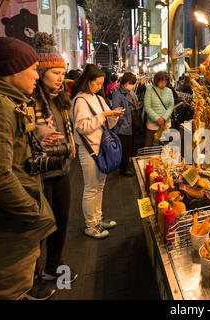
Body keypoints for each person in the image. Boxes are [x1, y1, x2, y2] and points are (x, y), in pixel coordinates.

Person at [0, 37, 56, 299]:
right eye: (32, 69)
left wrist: (37, 133)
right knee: (10, 290)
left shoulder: (9, 102)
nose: (37, 76)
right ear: (13, 71)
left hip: (13, 222)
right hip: (10, 228)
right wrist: (35, 212)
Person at [21, 33, 78, 300]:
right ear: (41, 71)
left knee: (61, 221)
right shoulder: (28, 101)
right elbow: (26, 138)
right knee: (38, 228)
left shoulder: (61, 99)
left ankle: (54, 266)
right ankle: (30, 280)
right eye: (55, 72)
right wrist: (39, 136)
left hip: (62, 168)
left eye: (62, 72)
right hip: (39, 174)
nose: (59, 77)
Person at [70, 64, 124, 239]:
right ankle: (90, 224)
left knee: (99, 186)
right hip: (89, 150)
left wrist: (113, 115)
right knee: (91, 188)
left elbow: (106, 125)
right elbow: (82, 127)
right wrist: (104, 115)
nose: (100, 87)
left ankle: (98, 219)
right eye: (97, 84)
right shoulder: (80, 100)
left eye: (101, 84)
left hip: (102, 148)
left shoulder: (98, 98)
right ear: (87, 81)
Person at [111, 72, 138, 176]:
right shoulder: (117, 94)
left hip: (132, 125)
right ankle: (124, 168)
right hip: (123, 126)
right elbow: (116, 110)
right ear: (125, 82)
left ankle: (127, 165)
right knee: (124, 149)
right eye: (131, 83)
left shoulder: (132, 92)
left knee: (130, 147)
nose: (133, 85)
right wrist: (124, 121)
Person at [143, 71, 175, 147]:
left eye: (165, 81)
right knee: (150, 147)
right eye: (161, 80)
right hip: (152, 125)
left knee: (165, 147)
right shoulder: (149, 90)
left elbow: (171, 106)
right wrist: (157, 118)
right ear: (156, 80)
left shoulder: (169, 91)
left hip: (166, 124)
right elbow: (147, 106)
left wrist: (164, 118)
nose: (163, 83)